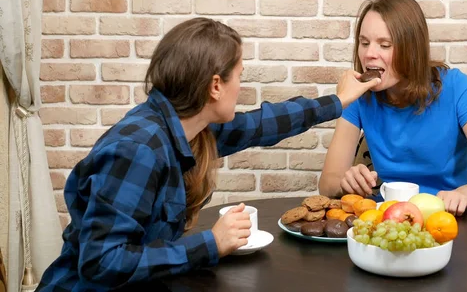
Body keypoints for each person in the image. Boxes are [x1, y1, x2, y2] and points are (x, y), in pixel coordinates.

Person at [36, 17, 380, 292]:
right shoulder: (138, 150)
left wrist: (338, 102)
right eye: (239, 76)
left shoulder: (190, 128)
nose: (240, 87)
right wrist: (211, 243)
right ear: (216, 85)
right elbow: (102, 263)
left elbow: (261, 125)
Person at [318, 0, 467, 216]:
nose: (369, 54)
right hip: (388, 216)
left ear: (412, 50)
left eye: (384, 45)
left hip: (445, 218)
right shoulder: (358, 95)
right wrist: (345, 182)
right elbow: (327, 183)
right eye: (364, 43)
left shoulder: (457, 88)